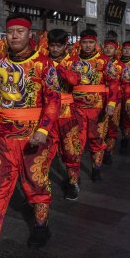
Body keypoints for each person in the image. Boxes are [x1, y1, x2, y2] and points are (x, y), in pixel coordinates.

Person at [0, 14, 60, 258]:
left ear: (29, 35)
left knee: (36, 181)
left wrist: (43, 130)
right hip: (3, 136)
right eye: (11, 32)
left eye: (20, 31)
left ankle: (41, 227)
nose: (15, 36)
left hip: (35, 137)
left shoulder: (44, 64)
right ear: (6, 35)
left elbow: (53, 99)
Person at [67, 30, 119, 182]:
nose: (88, 45)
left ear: (95, 44)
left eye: (91, 43)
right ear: (80, 43)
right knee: (77, 141)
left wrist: (111, 103)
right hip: (77, 108)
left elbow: (114, 82)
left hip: (98, 108)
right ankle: (73, 177)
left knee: (97, 139)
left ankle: (96, 168)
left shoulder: (104, 61)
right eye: (85, 42)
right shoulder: (72, 61)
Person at [45, 29, 83, 200]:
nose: (54, 49)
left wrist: (59, 69)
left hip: (67, 112)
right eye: (52, 45)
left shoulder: (73, 61)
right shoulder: (42, 61)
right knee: (44, 151)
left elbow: (75, 80)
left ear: (65, 46)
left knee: (70, 150)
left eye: (58, 46)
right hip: (46, 114)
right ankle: (40, 187)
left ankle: (73, 182)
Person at [102, 39, 130, 164]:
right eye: (107, 47)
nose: (109, 50)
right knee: (99, 127)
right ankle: (98, 151)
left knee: (112, 126)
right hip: (99, 99)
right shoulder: (97, 63)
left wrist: (128, 99)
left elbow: (127, 84)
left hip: (116, 100)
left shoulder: (122, 66)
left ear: (116, 50)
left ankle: (108, 152)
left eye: (111, 48)